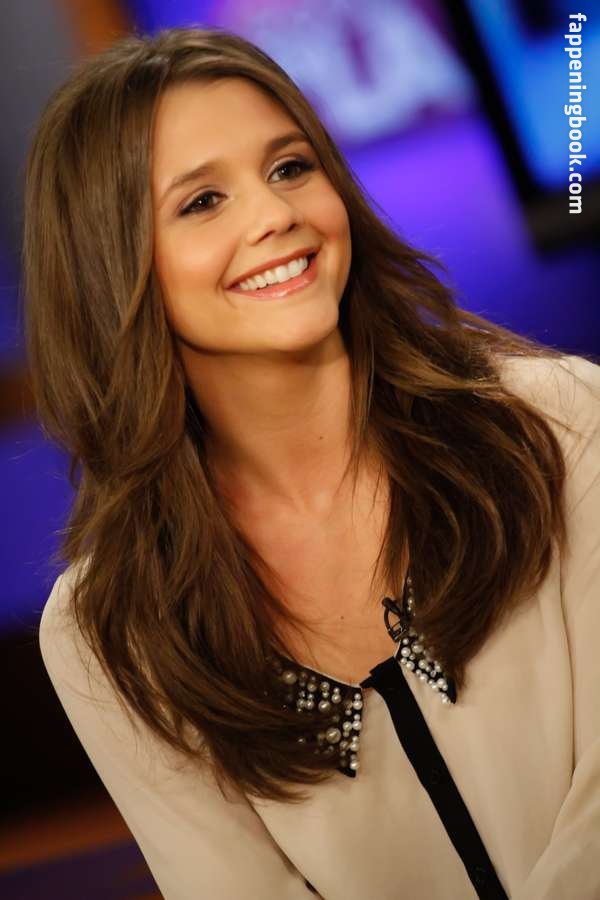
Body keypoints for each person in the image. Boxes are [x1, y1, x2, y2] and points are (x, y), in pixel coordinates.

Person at [24, 26, 600, 900]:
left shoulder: (557, 423)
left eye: (290, 167)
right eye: (202, 202)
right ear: (111, 267)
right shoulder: (110, 629)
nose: (274, 215)